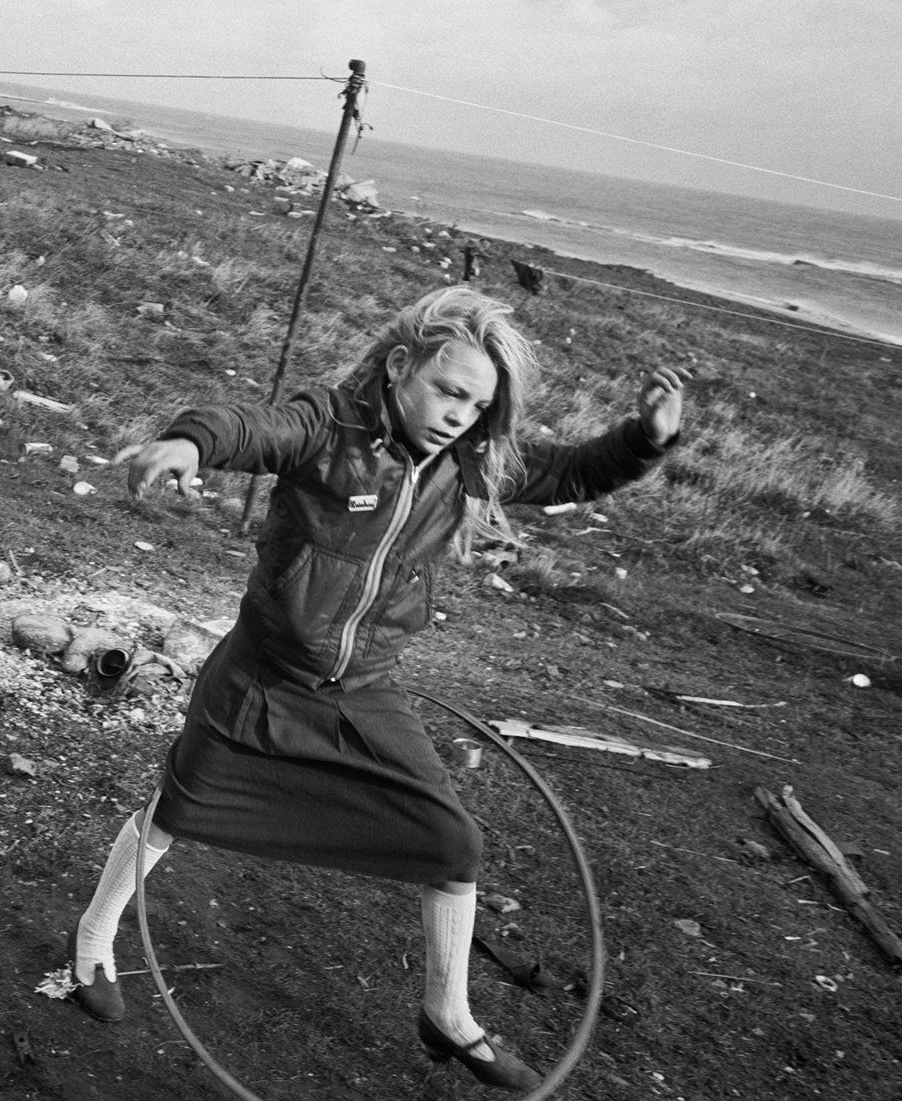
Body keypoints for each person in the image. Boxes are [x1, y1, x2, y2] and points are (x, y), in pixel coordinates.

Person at [66, 286, 688, 1091]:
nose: (460, 413)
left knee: (453, 844)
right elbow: (252, 428)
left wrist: (645, 438)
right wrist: (188, 445)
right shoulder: (330, 426)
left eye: (476, 402)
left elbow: (570, 473)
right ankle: (92, 940)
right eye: (448, 389)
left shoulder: (470, 463)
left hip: (364, 686)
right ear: (402, 366)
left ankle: (447, 1017)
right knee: (177, 810)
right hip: (264, 672)